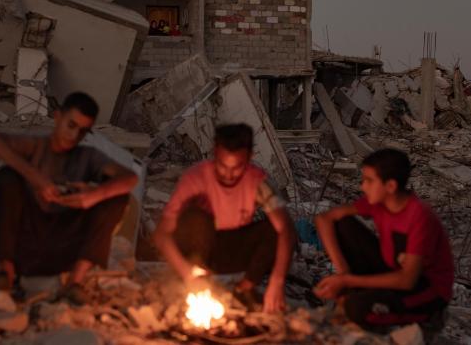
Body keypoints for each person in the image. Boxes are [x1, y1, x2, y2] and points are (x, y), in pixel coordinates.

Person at [0, 92, 138, 304]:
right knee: (7, 178)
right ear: (57, 117)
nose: (74, 136)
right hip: (26, 240)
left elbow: (130, 177)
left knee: (116, 198)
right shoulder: (36, 146)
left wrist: (93, 195)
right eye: (70, 125)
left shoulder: (88, 156)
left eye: (82, 131)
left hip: (66, 244)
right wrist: (35, 177)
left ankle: (75, 283)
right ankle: (5, 273)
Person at [153, 123, 296, 313]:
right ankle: (194, 283)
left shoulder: (257, 181)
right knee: (196, 218)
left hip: (230, 249)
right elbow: (161, 235)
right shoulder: (195, 178)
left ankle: (244, 289)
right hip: (198, 250)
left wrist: (277, 282)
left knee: (274, 230)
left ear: (249, 158)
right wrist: (188, 273)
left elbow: (286, 229)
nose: (228, 175)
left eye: (237, 167)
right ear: (214, 154)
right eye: (222, 166)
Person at [314, 149, 453, 330]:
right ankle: (363, 295)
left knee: (356, 309)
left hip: (424, 288)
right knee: (342, 223)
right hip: (392, 270)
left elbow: (407, 280)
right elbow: (324, 218)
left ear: (390, 187)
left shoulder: (420, 216)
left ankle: (426, 319)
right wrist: (343, 273)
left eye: (369, 181)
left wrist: (347, 282)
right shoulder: (379, 203)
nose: (363, 186)